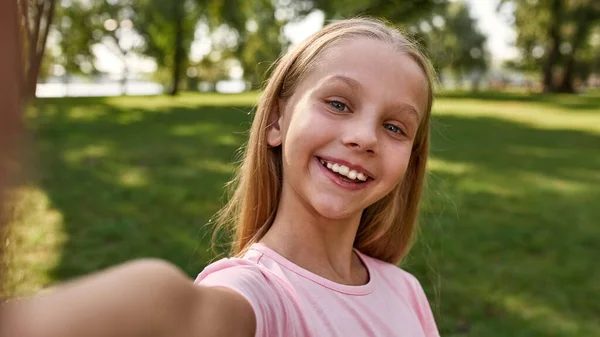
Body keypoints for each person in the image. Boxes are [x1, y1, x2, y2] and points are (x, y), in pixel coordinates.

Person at [1, 17, 438, 337]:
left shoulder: (405, 290)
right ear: (276, 123)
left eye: (395, 127)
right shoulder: (255, 297)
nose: (364, 138)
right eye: (339, 104)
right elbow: (172, 311)